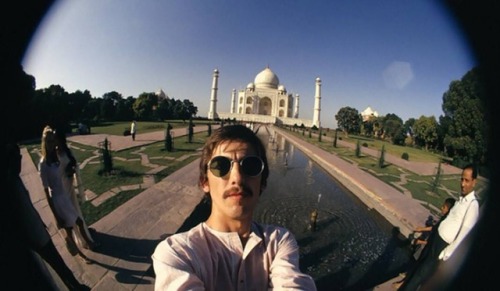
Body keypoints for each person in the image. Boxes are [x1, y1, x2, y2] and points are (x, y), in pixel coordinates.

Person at [152, 124, 317, 290]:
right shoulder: (179, 253)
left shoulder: (278, 242)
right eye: (221, 166)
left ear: (263, 183)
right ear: (205, 182)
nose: (237, 178)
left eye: (251, 166)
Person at [5, 142, 91, 291]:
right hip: (34, 233)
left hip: (38, 227)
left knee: (58, 263)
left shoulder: (15, 181)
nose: (20, 160)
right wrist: (55, 217)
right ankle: (74, 283)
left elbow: (28, 207)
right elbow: (43, 194)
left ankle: (74, 284)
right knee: (56, 263)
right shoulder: (10, 185)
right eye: (17, 156)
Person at [397, 164, 480, 291]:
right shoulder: (461, 200)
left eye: (467, 180)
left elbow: (463, 236)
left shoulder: (472, 206)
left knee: (420, 276)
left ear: (474, 182)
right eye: (462, 179)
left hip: (441, 247)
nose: (463, 184)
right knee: (418, 267)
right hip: (435, 240)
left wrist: (445, 254)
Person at [38, 125, 96, 264]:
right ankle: (82, 256)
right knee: (69, 230)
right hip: (57, 200)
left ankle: (89, 245)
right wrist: (56, 216)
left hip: (65, 196)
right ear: (44, 143)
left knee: (79, 223)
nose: (52, 144)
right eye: (49, 141)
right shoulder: (43, 164)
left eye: (53, 141)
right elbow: (46, 191)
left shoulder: (55, 158)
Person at [393, 197, 456, 289]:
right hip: (428, 247)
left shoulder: (446, 223)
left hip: (430, 250)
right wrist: (421, 229)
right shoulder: (445, 220)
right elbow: (434, 228)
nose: (442, 208)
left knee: (417, 268)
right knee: (416, 264)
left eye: (444, 207)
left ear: (449, 209)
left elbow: (435, 240)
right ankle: (405, 279)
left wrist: (422, 241)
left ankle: (404, 282)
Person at [54, 129, 98, 249]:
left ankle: (85, 236)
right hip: (61, 189)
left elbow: (74, 163)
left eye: (56, 138)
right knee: (71, 216)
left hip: (70, 186)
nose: (54, 141)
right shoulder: (53, 154)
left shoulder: (67, 151)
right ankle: (82, 240)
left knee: (77, 212)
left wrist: (72, 169)